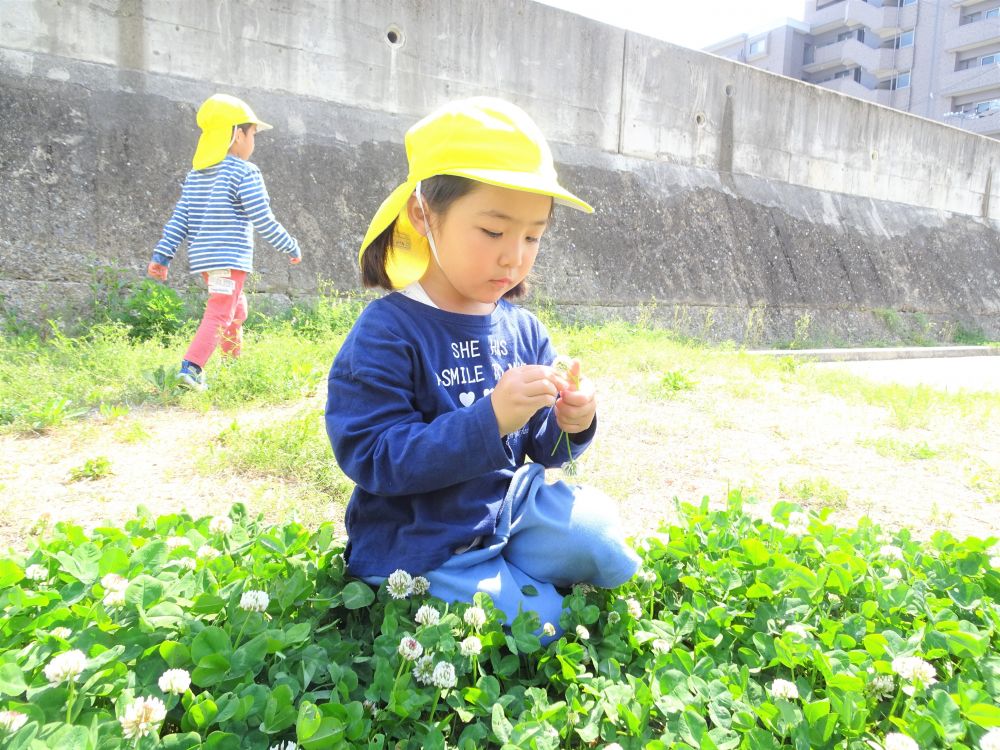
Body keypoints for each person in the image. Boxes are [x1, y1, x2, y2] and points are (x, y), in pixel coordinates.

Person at [325, 97, 639, 635]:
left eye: (533, 236)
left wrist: (571, 422)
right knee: (542, 624)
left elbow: (542, 449)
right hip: (422, 532)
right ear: (424, 215)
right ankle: (502, 583)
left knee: (605, 542)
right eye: (493, 232)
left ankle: (511, 567)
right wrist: (489, 418)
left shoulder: (522, 328)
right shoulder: (387, 332)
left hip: (508, 507)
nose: (513, 256)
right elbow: (372, 456)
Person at [147, 93, 302, 390]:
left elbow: (180, 219)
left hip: (207, 261)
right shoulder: (245, 172)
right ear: (236, 135)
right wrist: (290, 245)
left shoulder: (196, 176)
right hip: (230, 260)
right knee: (221, 312)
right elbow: (263, 219)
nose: (254, 142)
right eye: (253, 134)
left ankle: (232, 367)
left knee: (236, 311)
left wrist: (162, 256)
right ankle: (191, 368)